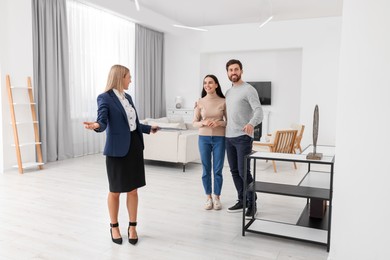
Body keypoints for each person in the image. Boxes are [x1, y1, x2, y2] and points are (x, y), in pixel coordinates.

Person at [83, 64, 159, 245]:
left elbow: (131, 124)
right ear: (120, 77)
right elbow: (102, 121)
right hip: (117, 150)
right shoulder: (104, 98)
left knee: (133, 190)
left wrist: (149, 129)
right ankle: (114, 226)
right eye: (128, 77)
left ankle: (132, 226)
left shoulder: (128, 97)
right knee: (115, 190)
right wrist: (96, 126)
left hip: (134, 147)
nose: (130, 80)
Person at [224, 59, 263, 219]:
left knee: (244, 172)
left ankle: (252, 204)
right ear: (227, 73)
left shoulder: (249, 90)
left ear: (241, 71)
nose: (233, 72)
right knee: (234, 171)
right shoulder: (228, 92)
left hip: (243, 138)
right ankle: (242, 200)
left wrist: (251, 124)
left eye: (236, 69)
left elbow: (259, 111)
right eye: (230, 70)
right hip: (229, 137)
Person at [193, 75, 227, 210]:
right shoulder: (199, 101)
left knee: (218, 170)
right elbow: (194, 122)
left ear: (216, 85)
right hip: (204, 139)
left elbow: (227, 122)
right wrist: (204, 122)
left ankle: (217, 197)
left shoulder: (224, 101)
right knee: (206, 170)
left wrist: (219, 122)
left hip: (220, 138)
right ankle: (208, 197)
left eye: (210, 83)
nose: (207, 85)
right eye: (205, 83)